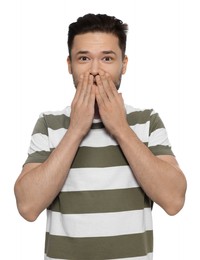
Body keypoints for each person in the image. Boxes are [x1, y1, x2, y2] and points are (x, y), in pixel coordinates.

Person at [14, 13, 187, 260]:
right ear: (69, 64)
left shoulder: (147, 121)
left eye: (107, 58)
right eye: (84, 58)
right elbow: (28, 208)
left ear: (123, 65)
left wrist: (121, 128)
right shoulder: (49, 123)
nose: (95, 70)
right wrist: (75, 131)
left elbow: (174, 201)